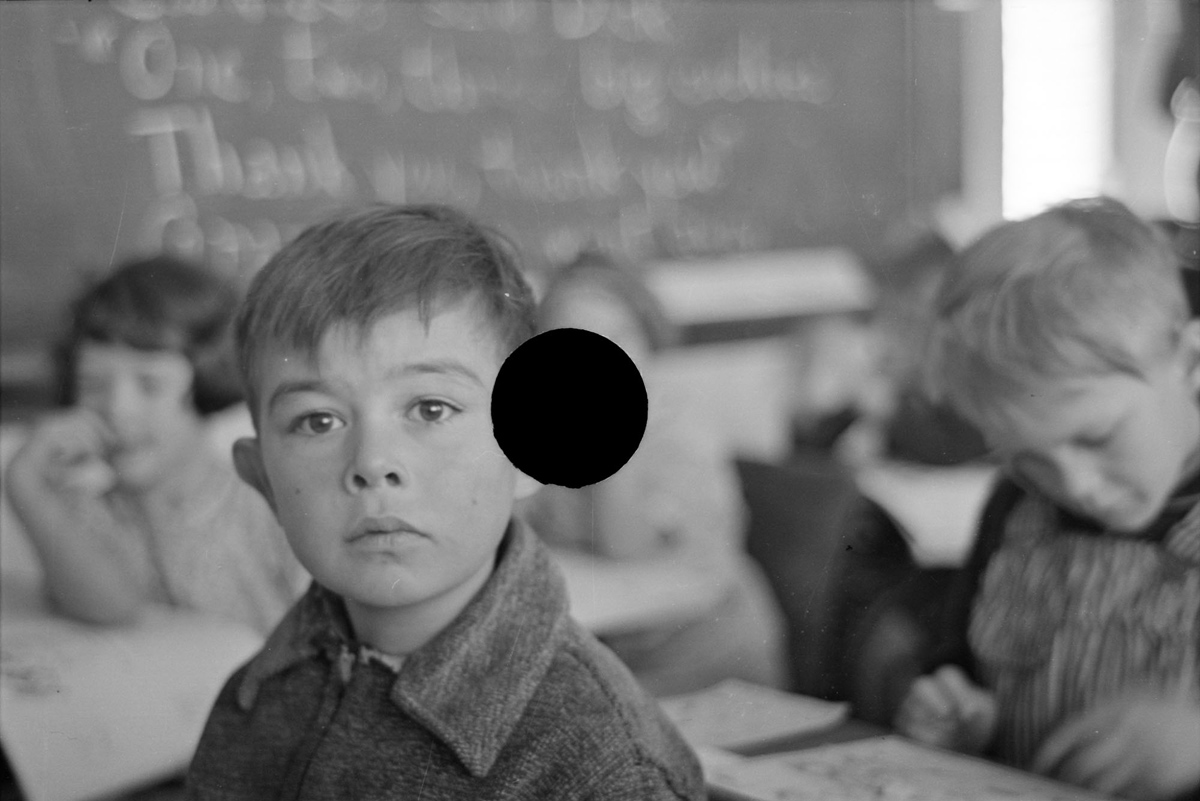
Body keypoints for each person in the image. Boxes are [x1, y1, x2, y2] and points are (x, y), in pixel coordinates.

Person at [186, 205, 705, 799]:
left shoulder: (603, 766)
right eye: (318, 420)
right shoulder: (251, 701)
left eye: (431, 409)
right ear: (262, 482)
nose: (372, 462)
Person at [893, 197, 1200, 801]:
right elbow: (956, 656)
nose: (1076, 485)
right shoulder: (1015, 510)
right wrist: (955, 709)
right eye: (1027, 457)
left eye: (1097, 437)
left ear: (1189, 363)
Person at [520, 250, 788, 697]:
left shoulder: (681, 437)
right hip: (616, 657)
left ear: (648, 341)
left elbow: (632, 554)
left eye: (617, 336)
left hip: (707, 657)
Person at [5, 256, 306, 635]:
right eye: (94, 384)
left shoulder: (264, 507)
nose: (118, 410)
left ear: (207, 383)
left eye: (149, 385)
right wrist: (27, 486)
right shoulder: (85, 514)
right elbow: (109, 606)